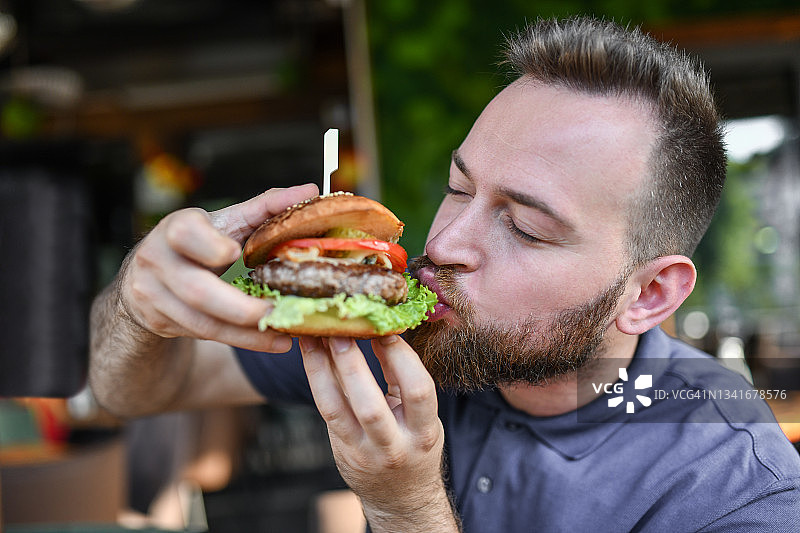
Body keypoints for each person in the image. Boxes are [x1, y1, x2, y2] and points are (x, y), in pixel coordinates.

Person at [90, 16, 800, 532]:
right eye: (459, 188)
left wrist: (408, 511)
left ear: (649, 294)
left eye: (524, 226)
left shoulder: (736, 493)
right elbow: (134, 388)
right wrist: (137, 308)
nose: (445, 242)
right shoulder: (408, 327)